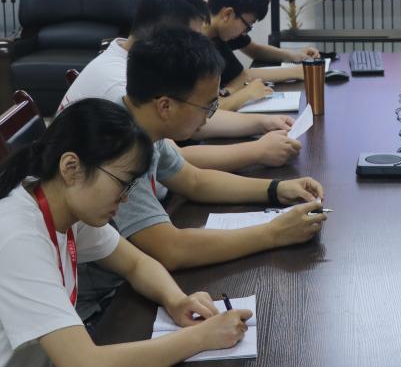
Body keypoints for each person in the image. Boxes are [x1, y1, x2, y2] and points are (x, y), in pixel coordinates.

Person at [0, 99, 252, 367]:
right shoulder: (16, 238)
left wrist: (176, 300)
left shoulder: (63, 205)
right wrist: (202, 338)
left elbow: (136, 264)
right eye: (121, 182)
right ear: (71, 167)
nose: (125, 198)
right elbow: (85, 362)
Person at [75, 26, 327, 322]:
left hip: (130, 282)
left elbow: (194, 180)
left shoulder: (139, 123)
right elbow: (170, 249)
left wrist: (275, 189)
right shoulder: (119, 148)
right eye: (208, 105)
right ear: (165, 106)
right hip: (100, 308)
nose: (210, 115)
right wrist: (273, 233)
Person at [60, 0, 299, 172]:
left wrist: (261, 122)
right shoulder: (120, 88)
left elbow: (196, 121)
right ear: (162, 36)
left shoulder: (132, 59)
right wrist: (258, 151)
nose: (197, 46)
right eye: (191, 37)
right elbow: (177, 160)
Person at [203, 0, 313, 111]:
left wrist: (230, 92)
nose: (244, 33)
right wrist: (244, 95)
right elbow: (204, 112)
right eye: (248, 25)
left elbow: (242, 75)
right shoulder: (191, 41)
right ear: (227, 14)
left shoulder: (216, 34)